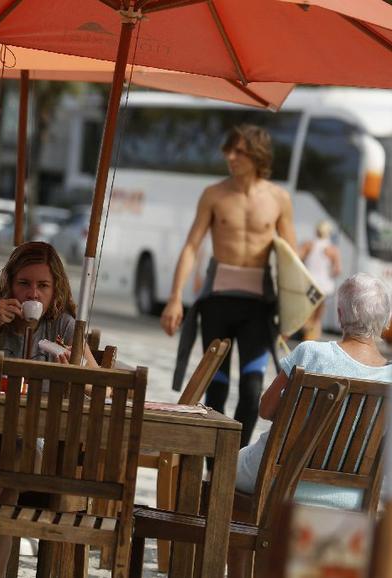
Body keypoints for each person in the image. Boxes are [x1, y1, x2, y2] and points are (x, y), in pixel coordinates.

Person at [0, 241, 97, 578]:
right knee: (1, 475)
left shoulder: (63, 326)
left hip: (29, 441)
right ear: (8, 283)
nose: (33, 295)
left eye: (43, 286)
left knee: (9, 457)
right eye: (24, 283)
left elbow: (104, 387)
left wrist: (74, 369)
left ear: (56, 290)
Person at [229, 272, 391, 577]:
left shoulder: (311, 354)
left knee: (223, 469)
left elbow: (265, 409)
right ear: (385, 321)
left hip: (281, 481)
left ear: (340, 314)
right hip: (352, 496)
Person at [160, 124, 298, 448]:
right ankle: (213, 464)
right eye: (228, 150)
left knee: (252, 392)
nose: (230, 156)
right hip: (217, 304)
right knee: (216, 390)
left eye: (238, 151)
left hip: (258, 309)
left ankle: (233, 462)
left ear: (257, 156)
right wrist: (175, 298)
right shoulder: (215, 194)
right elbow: (192, 246)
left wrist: (294, 316)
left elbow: (293, 263)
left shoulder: (279, 199)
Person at [299, 220, 342, 341]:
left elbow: (297, 259)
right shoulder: (333, 250)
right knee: (318, 315)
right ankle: (312, 336)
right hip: (325, 287)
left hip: (310, 284)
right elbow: (337, 270)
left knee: (308, 311)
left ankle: (306, 332)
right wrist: (328, 273)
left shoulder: (308, 245)